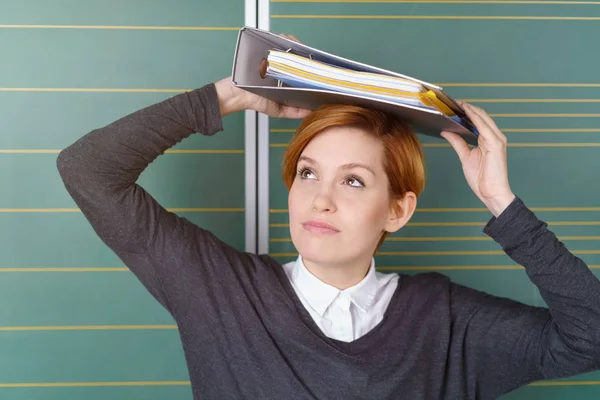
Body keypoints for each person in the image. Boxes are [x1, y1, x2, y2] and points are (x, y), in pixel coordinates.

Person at [56, 73, 600, 400]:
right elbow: (87, 169)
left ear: (397, 210)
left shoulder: (448, 321)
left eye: (354, 181)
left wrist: (502, 203)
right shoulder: (216, 290)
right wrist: (231, 95)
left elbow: (590, 337)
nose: (321, 198)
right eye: (309, 173)